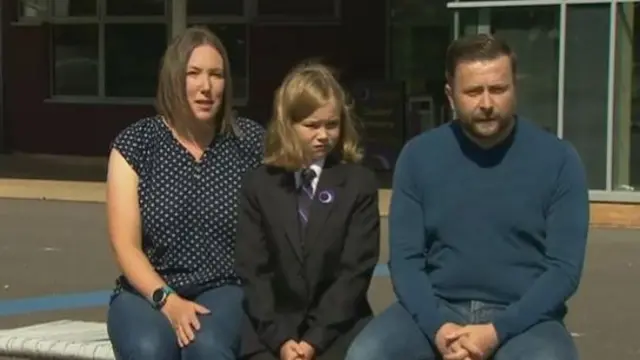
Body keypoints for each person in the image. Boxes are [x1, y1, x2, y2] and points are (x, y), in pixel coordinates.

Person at [345, 33, 589, 360]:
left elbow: (563, 270)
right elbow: (406, 261)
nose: (486, 103)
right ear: (450, 94)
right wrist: (437, 326)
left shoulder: (559, 159)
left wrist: (497, 331)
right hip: (437, 308)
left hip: (525, 318)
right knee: (367, 354)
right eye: (473, 91)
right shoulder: (419, 156)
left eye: (498, 89)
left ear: (514, 87)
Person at [105, 26, 265, 360]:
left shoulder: (251, 143)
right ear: (174, 79)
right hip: (147, 291)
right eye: (194, 74)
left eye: (216, 75)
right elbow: (126, 245)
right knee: (149, 350)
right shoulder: (136, 145)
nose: (206, 87)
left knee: (204, 347)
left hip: (226, 286)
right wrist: (168, 301)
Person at [235, 61, 381, 360]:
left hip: (338, 328)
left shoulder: (358, 183)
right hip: (271, 331)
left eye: (332, 124)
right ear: (288, 125)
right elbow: (254, 272)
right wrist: (282, 340)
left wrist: (313, 341)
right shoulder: (259, 185)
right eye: (312, 126)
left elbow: (354, 273)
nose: (323, 135)